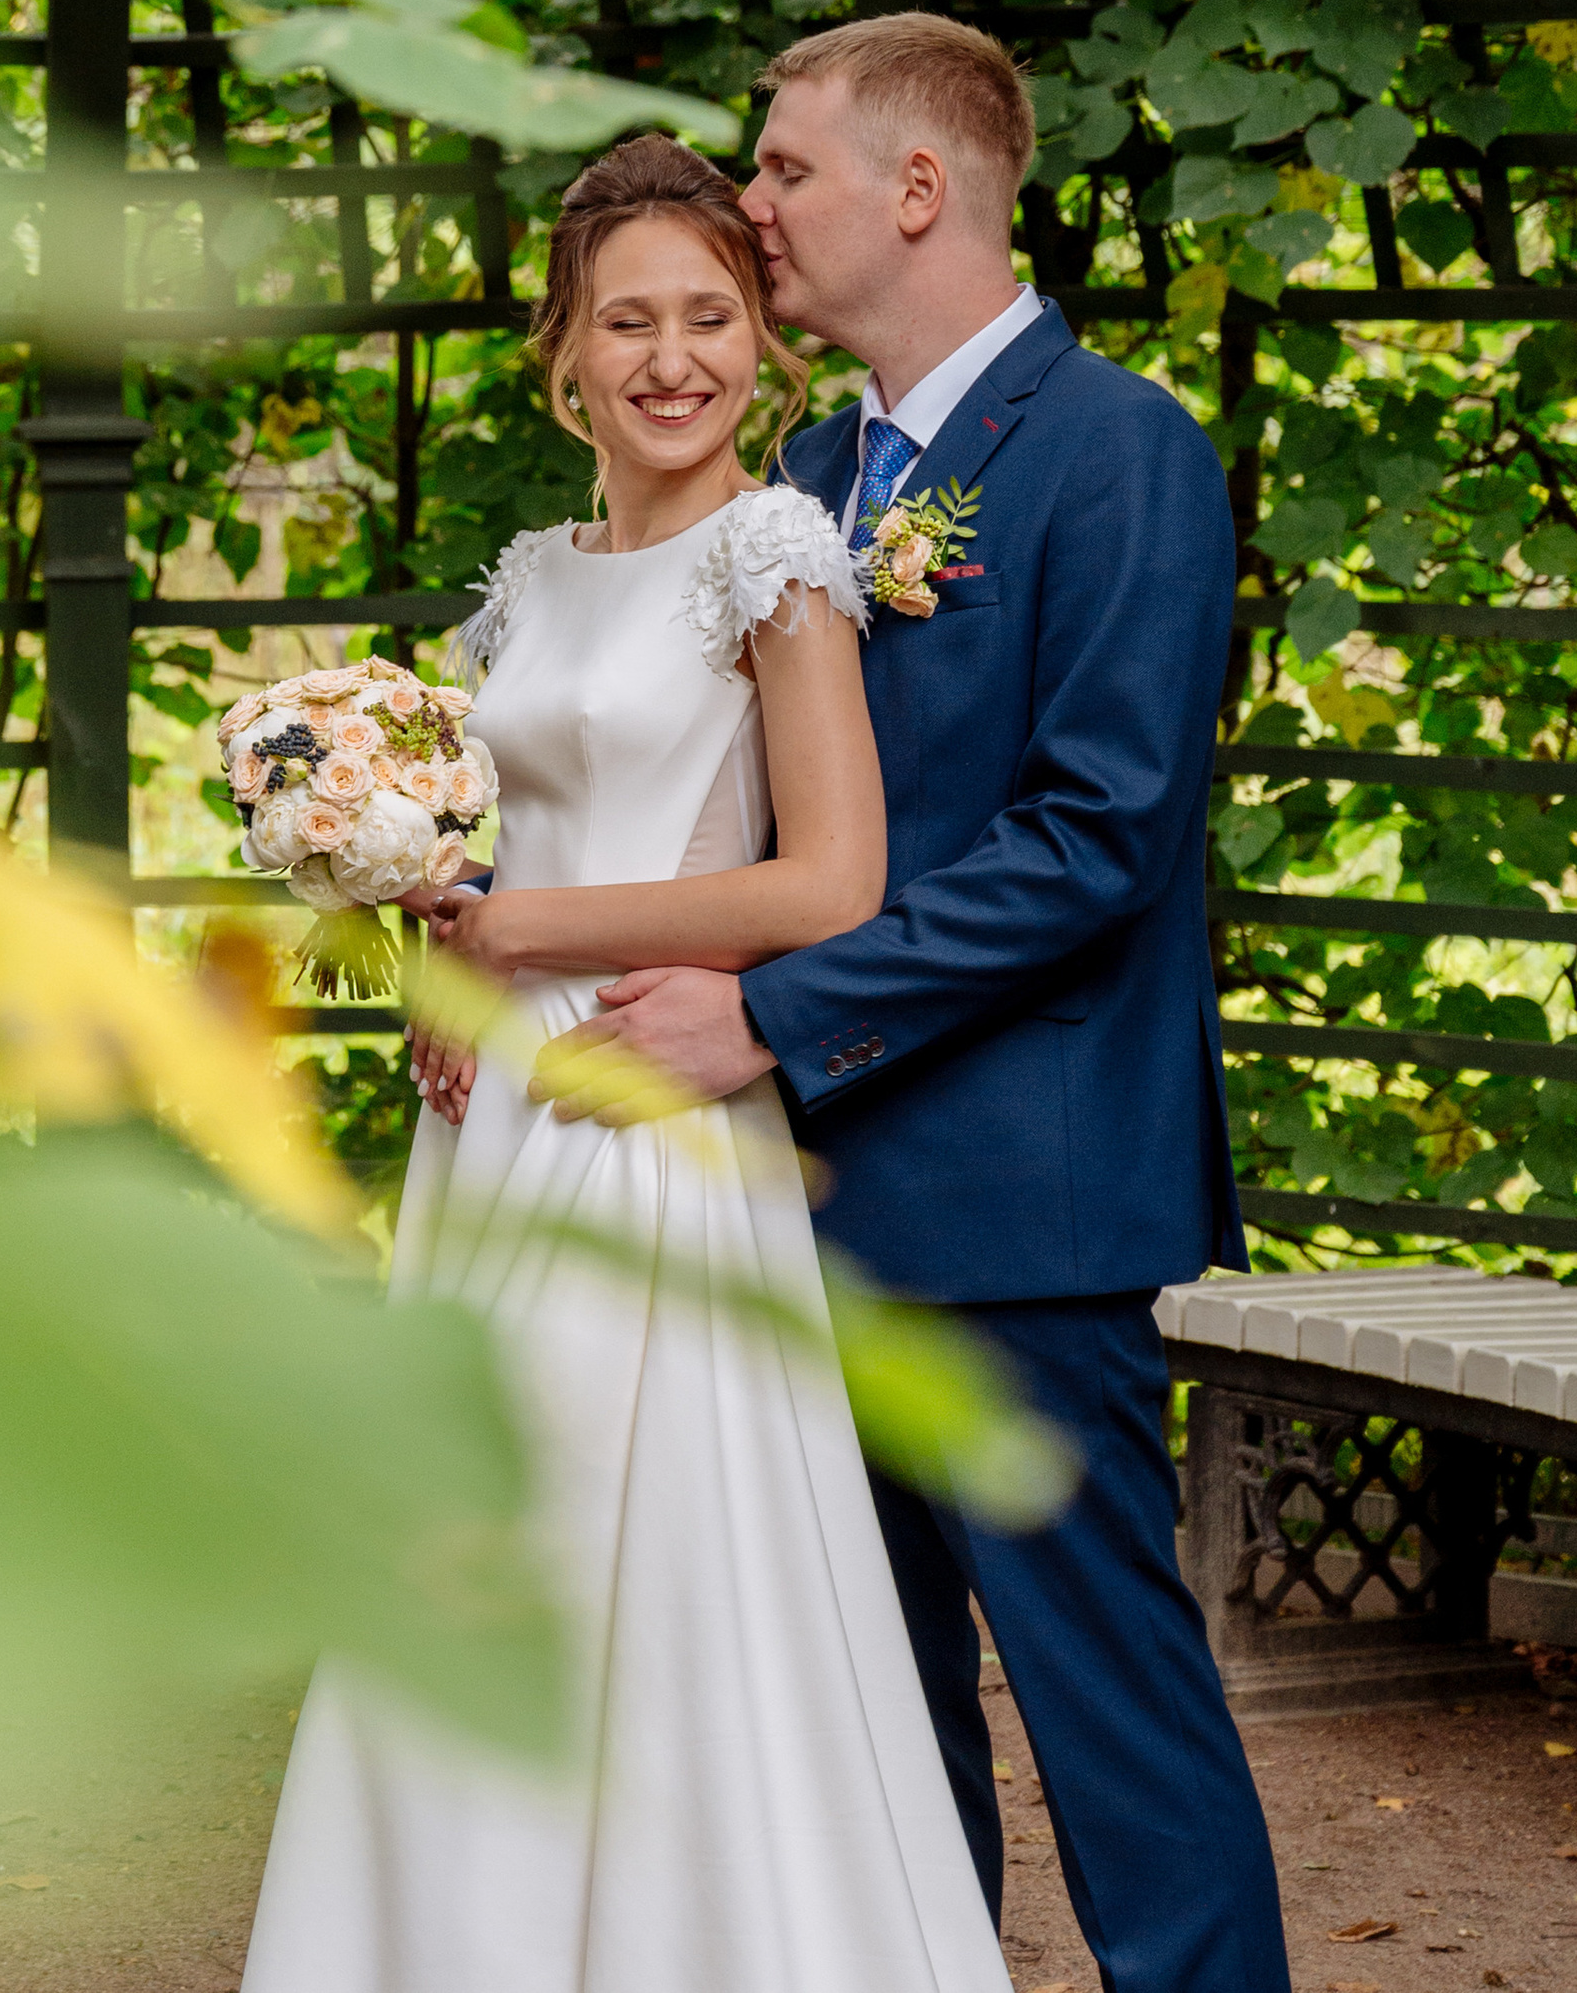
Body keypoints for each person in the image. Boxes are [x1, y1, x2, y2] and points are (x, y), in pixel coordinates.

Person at [538, 12, 1289, 1993]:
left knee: (1110, 1713)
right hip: (792, 1205)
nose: (750, 201)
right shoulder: (794, 474)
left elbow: (1094, 835)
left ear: (916, 186)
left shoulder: (1118, 450)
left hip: (1022, 1210)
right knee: (870, 1739)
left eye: (778, 169)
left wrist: (770, 1018)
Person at [238, 134, 1011, 1993]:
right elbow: (499, 841)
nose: (677, 360)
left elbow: (833, 880)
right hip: (498, 1112)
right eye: (629, 323)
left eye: (714, 318)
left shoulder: (781, 561)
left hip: (656, 1104)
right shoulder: (530, 577)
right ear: (562, 357)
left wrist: (532, 941)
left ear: (767, 343)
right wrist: (436, 937)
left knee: (596, 1543)